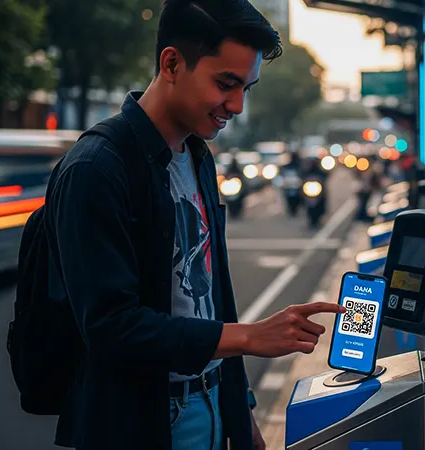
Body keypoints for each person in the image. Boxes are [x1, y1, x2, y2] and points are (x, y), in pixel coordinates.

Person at [42, 1, 345, 449]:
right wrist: (249, 338)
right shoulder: (95, 169)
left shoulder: (198, 157)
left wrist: (240, 414)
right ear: (171, 63)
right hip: (140, 421)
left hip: (212, 404)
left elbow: (214, 298)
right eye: (226, 84)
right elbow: (110, 329)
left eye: (247, 88)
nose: (238, 105)